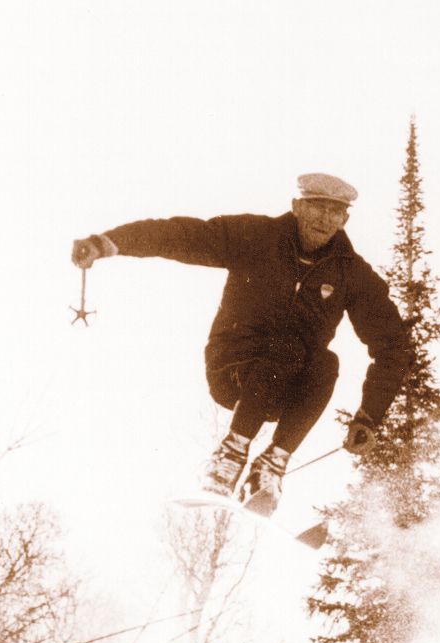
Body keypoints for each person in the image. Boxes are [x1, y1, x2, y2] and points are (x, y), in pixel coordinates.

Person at [71, 173, 413, 514]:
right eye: (316, 207)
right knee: (288, 348)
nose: (325, 219)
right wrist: (109, 243)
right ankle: (229, 458)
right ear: (296, 207)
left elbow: (392, 345)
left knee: (326, 363)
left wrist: (369, 415)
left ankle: (271, 467)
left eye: (335, 212)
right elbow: (182, 235)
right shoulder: (256, 237)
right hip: (232, 369)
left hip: (285, 390)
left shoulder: (351, 273)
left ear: (345, 219)